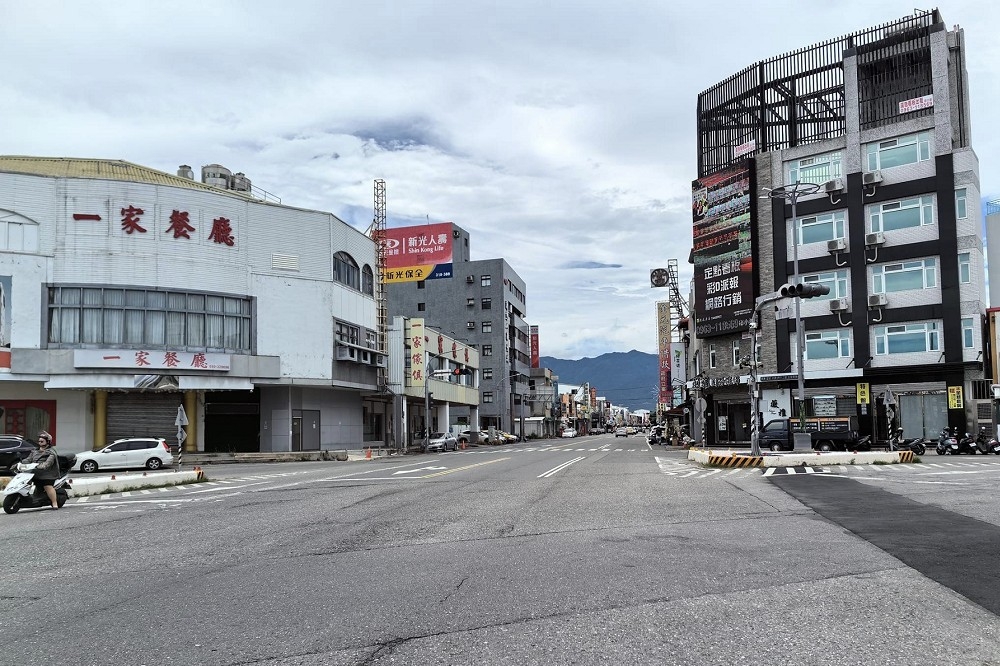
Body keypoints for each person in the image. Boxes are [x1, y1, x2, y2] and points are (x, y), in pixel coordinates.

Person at [22, 430, 60, 509]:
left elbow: (47, 464)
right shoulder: (35, 451)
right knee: (24, 481)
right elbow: (28, 459)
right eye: (39, 441)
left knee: (47, 486)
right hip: (35, 472)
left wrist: (39, 466)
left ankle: (54, 502)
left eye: (42, 441)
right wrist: (21, 463)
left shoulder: (51, 452)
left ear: (48, 442)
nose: (40, 442)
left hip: (47, 474)